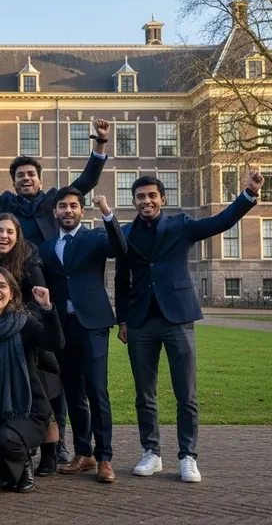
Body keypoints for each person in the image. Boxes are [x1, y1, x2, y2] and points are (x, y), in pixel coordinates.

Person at [110, 170, 263, 484]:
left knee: (187, 394)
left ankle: (187, 457)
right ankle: (151, 453)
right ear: (134, 201)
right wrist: (122, 319)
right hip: (140, 322)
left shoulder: (180, 225)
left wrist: (248, 193)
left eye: (152, 195)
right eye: (140, 196)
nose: (146, 201)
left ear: (162, 199)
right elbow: (120, 281)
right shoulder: (124, 234)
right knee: (144, 394)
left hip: (177, 318)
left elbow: (219, 222)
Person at [39, 188, 125, 483]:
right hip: (63, 327)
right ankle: (83, 452)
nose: (67, 210)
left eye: (73, 206)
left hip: (93, 324)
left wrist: (107, 213)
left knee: (97, 391)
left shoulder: (95, 238)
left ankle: (105, 458)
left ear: (81, 211)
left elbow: (119, 248)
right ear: (55, 212)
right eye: (62, 206)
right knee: (73, 393)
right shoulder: (47, 248)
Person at [0, 212, 66, 474]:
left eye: (9, 232)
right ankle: (16, 447)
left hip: (27, 338)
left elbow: (39, 302)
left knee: (42, 400)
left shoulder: (29, 263)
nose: (3, 236)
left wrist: (20, 325)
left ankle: (50, 453)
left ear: (17, 237)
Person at [0, 268, 65, 495]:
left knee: (6, 439)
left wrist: (48, 308)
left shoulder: (25, 324)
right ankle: (10, 466)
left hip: (30, 409)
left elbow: (55, 343)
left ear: (12, 293)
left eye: (2, 286)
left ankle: (24, 464)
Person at [0, 118, 110, 246]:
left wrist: (101, 141)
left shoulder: (55, 201)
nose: (26, 178)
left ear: (41, 181)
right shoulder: (5, 204)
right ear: (14, 184)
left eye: (31, 174)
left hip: (50, 274)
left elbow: (88, 180)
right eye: (20, 175)